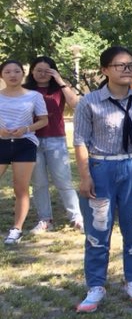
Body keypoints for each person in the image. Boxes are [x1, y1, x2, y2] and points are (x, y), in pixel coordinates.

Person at [73, 46, 132, 312]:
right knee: (98, 230)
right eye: (120, 65)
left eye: (131, 65)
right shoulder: (90, 102)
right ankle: (95, 286)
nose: (127, 70)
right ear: (105, 70)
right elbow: (80, 141)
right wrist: (85, 176)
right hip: (101, 167)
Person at [23, 56, 84, 233]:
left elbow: (75, 104)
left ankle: (77, 217)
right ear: (32, 71)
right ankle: (45, 219)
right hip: (31, 139)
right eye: (38, 70)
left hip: (55, 138)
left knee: (63, 180)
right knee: (39, 182)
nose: (42, 74)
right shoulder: (25, 90)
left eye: (47, 71)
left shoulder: (58, 89)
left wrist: (59, 80)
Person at [1, 60, 49, 245]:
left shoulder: (34, 96)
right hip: (1, 142)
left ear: (23, 74)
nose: (12, 75)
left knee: (20, 187)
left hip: (25, 144)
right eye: (7, 72)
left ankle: (16, 229)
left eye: (16, 71)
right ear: (2, 75)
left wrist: (26, 129)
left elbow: (43, 120)